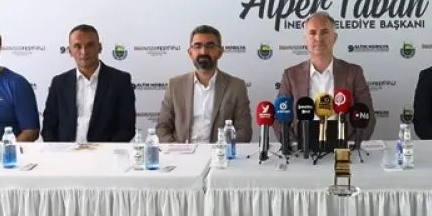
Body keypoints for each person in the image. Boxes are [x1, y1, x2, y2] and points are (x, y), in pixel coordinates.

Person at [276, 12, 376, 144]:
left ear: (334, 38)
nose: (318, 38)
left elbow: (367, 117)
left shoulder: (354, 72)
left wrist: (350, 147)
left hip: (344, 148)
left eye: (324, 32)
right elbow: (279, 120)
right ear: (306, 39)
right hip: (302, 150)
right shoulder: (291, 75)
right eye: (312, 33)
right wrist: (296, 147)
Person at [156, 25, 252, 143]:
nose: (203, 51)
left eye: (210, 46)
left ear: (220, 52)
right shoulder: (175, 85)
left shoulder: (236, 86)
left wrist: (222, 150)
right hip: (182, 151)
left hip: (220, 152)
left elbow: (244, 132)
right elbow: (162, 128)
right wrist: (178, 150)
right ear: (190, 53)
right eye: (198, 46)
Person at [41, 24, 136, 143]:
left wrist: (105, 150)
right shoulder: (59, 83)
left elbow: (127, 128)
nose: (84, 51)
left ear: (99, 48)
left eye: (90, 45)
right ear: (70, 51)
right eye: (77, 46)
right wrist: (59, 151)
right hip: (66, 151)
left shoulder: (120, 81)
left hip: (105, 151)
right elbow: (48, 127)